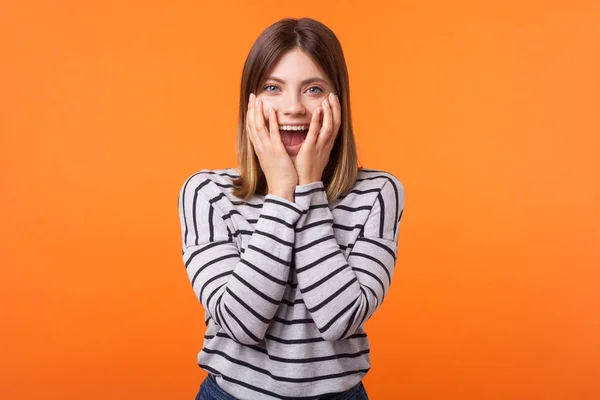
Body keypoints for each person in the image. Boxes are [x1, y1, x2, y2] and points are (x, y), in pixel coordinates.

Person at [178, 17, 405, 400]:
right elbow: (241, 324)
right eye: (273, 87)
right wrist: (282, 191)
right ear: (249, 101)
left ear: (339, 100)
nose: (294, 107)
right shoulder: (206, 192)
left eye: (313, 89)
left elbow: (339, 319)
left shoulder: (379, 192)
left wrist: (309, 189)